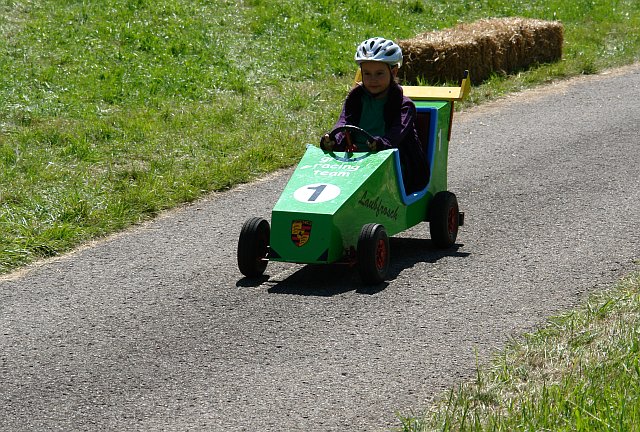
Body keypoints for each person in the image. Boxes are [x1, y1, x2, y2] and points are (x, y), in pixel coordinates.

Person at [320, 37, 428, 193]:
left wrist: (380, 144)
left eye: (379, 73)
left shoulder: (404, 106)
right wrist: (332, 140)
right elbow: (343, 123)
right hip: (355, 160)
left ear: (393, 72)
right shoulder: (355, 99)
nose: (373, 80)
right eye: (367, 73)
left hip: (394, 163)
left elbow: (396, 135)